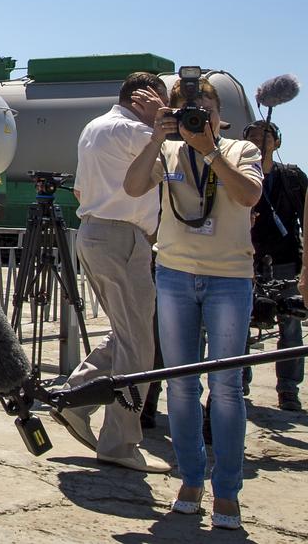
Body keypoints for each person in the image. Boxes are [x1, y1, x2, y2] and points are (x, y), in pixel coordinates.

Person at [124, 76, 263, 530]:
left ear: (220, 115)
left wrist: (210, 150)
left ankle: (227, 491)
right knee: (180, 384)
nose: (197, 119)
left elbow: (248, 195)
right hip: (177, 274)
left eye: (204, 110)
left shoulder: (242, 151)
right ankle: (189, 479)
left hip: (229, 278)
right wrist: (156, 137)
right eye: (188, 112)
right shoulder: (166, 152)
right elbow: (131, 186)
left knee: (225, 388)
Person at [52, 73, 172, 472]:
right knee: (139, 347)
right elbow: (180, 164)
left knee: (126, 335)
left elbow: (81, 191)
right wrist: (161, 123)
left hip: (97, 233)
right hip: (123, 238)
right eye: (161, 103)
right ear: (145, 99)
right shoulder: (135, 131)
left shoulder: (96, 127)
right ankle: (119, 443)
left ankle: (73, 398)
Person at [244, 119, 306, 410]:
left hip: (284, 261)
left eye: (266, 135)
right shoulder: (238, 173)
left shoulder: (292, 177)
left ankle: (288, 389)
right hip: (244, 261)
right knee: (238, 326)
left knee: (291, 328)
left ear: (277, 142)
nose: (259, 139)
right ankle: (239, 380)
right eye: (253, 135)